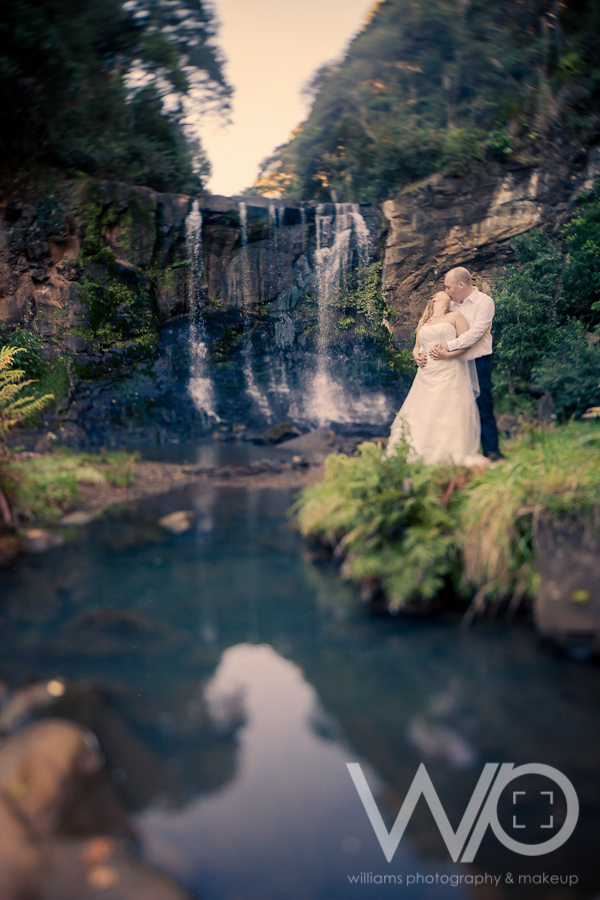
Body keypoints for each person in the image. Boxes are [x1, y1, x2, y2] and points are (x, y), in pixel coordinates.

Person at [385, 290, 488, 466]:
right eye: (444, 291)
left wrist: (448, 355)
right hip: (426, 373)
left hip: (449, 369)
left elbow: (467, 343)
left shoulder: (457, 316)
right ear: (434, 299)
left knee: (447, 409)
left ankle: (447, 452)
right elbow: (417, 346)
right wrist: (416, 356)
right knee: (422, 411)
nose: (448, 292)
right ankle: (418, 451)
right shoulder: (423, 322)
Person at [429, 267, 502, 460]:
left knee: (483, 405)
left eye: (448, 287)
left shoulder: (484, 302)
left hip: (478, 362)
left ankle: (491, 451)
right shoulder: (450, 305)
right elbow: (434, 326)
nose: (447, 291)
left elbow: (476, 334)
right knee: (455, 408)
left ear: (461, 284)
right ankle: (458, 452)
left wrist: (448, 346)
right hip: (452, 365)